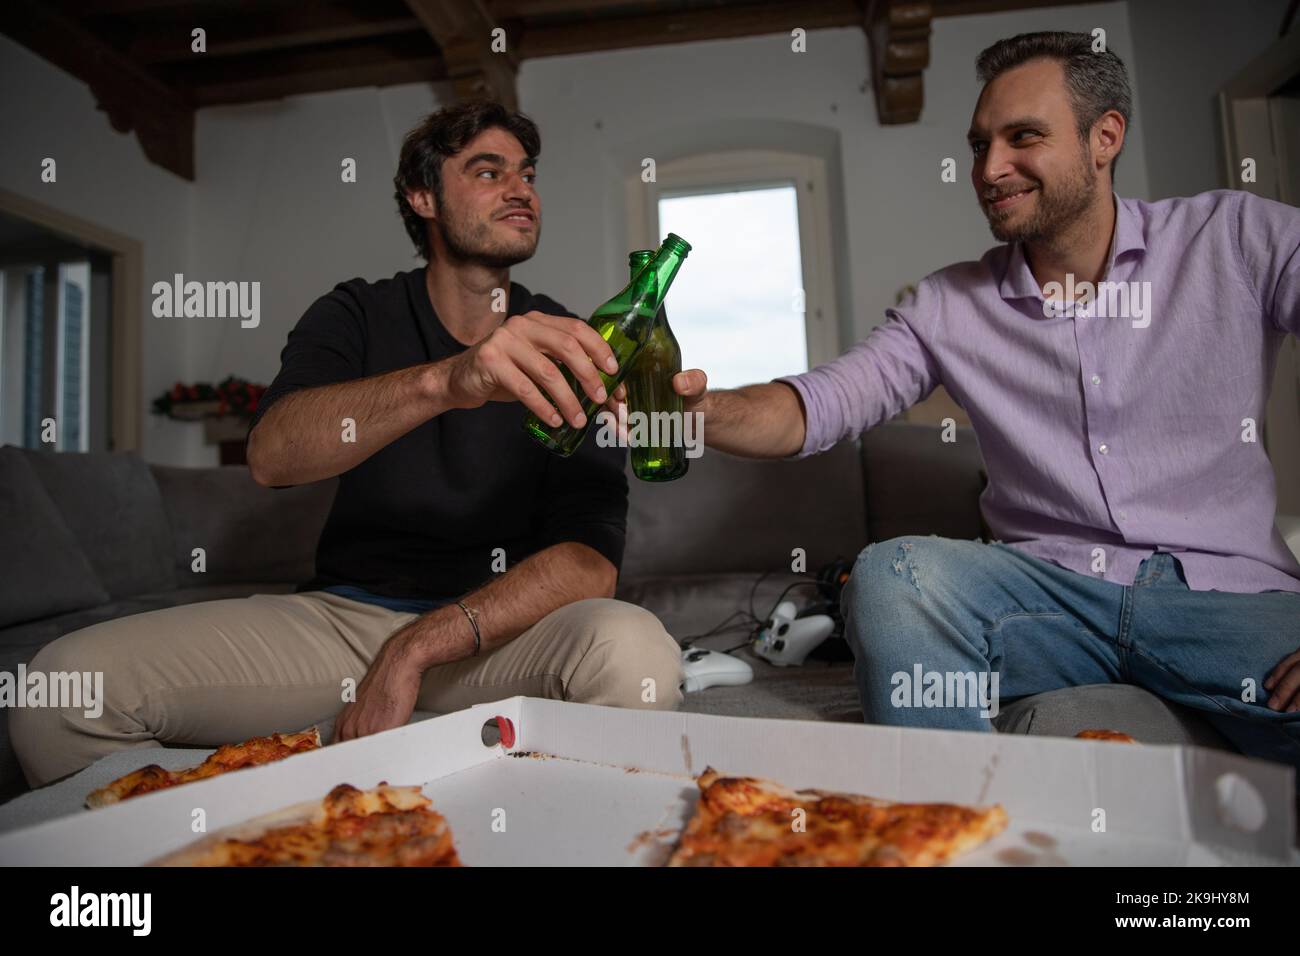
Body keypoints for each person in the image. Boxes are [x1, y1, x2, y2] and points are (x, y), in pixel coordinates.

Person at [656, 31, 1300, 769]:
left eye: (1023, 137)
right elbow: (821, 404)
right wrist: (693, 415)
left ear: (1105, 137)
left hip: (1230, 602)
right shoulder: (948, 304)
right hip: (1045, 609)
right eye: (978, 145)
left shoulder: (1236, 238)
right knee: (893, 575)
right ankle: (960, 816)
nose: (990, 169)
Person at [12, 102, 682, 789]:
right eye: (489, 171)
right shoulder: (358, 313)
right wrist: (452, 379)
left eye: (528, 173)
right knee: (60, 695)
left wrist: (417, 649)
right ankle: (265, 826)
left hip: (499, 634)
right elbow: (272, 456)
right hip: (342, 623)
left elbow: (589, 563)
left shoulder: (574, 341)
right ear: (422, 197)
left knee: (635, 655)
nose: (521, 190)